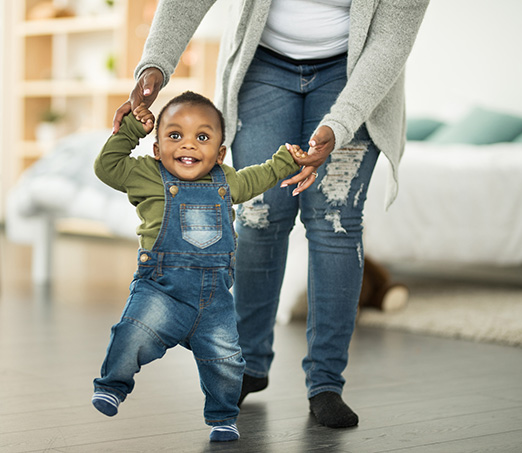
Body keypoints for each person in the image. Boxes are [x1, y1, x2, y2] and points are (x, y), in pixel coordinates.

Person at [113, 0, 430, 429]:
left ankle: (326, 383)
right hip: (262, 66)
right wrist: (154, 65)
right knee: (260, 216)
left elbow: (391, 41)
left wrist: (339, 124)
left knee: (334, 223)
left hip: (353, 76)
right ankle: (248, 365)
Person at [92, 91, 307, 442]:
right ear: (157, 148)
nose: (188, 145)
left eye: (202, 137)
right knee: (131, 333)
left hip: (215, 300)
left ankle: (223, 417)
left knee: (226, 362)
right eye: (175, 135)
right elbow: (107, 166)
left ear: (220, 153)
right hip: (161, 291)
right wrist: (132, 127)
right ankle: (113, 385)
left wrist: (286, 161)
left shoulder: (228, 180)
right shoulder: (147, 173)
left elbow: (262, 176)